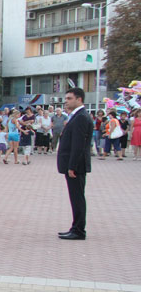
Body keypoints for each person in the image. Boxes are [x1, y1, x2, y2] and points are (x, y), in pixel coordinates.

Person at [57, 88, 93, 240]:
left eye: (69, 98)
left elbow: (78, 144)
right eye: (66, 98)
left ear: (79, 99)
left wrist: (72, 166)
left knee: (77, 197)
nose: (66, 101)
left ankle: (79, 230)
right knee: (75, 197)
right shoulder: (77, 116)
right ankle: (76, 227)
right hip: (74, 164)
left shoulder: (81, 117)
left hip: (76, 166)